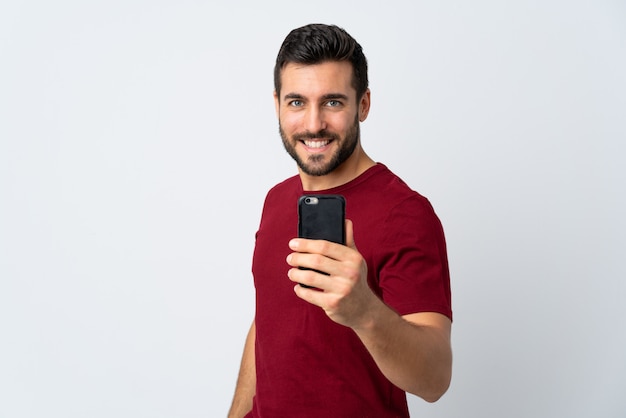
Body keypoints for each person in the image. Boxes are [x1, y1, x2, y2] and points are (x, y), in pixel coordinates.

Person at [228, 23, 452, 418]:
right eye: (297, 102)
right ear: (277, 103)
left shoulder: (405, 213)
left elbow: (435, 378)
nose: (313, 124)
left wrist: (363, 310)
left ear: (363, 104)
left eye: (332, 102)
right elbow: (266, 323)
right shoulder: (277, 200)